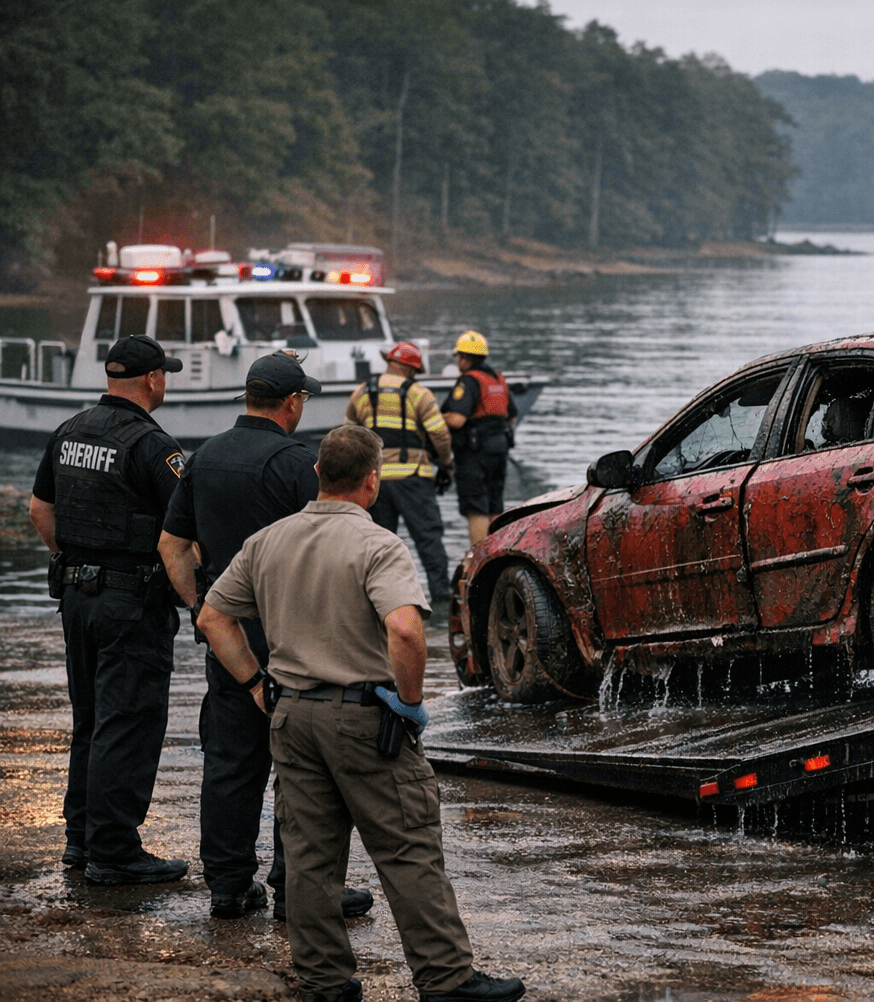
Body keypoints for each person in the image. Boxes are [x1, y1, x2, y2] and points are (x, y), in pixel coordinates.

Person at [197, 425, 524, 1002]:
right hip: (362, 719)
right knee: (407, 846)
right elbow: (405, 629)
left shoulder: (268, 540)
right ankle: (445, 978)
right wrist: (410, 703)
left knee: (308, 857)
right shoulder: (378, 545)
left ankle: (324, 981)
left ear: (319, 474)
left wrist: (254, 682)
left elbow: (212, 618)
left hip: (292, 716)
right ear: (372, 481)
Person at [159, 351, 374, 922]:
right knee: (303, 769)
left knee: (230, 763)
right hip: (293, 643)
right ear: (293, 402)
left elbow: (171, 547)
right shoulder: (295, 464)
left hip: (228, 644)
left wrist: (204, 608)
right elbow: (329, 547)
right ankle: (296, 889)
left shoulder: (203, 459)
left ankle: (228, 888)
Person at [28, 334, 188, 886]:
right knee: (130, 722)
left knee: (91, 720)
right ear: (151, 380)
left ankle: (82, 839)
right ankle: (115, 852)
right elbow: (182, 531)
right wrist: (197, 597)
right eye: (165, 374)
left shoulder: (68, 431)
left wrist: (73, 561)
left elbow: (39, 508)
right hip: (131, 602)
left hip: (76, 596)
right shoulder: (151, 444)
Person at [345, 341, 454, 603]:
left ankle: (379, 600)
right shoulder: (419, 394)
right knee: (428, 539)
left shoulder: (362, 392)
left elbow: (348, 434)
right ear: (410, 369)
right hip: (413, 478)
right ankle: (440, 599)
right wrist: (446, 463)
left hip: (376, 482)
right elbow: (439, 433)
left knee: (379, 544)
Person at [440, 331, 515, 546]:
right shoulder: (498, 379)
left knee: (476, 508)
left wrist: (434, 416)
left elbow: (456, 419)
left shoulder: (469, 382)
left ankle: (477, 560)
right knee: (494, 505)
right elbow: (512, 415)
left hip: (474, 453)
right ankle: (496, 553)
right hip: (499, 450)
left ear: (463, 358)